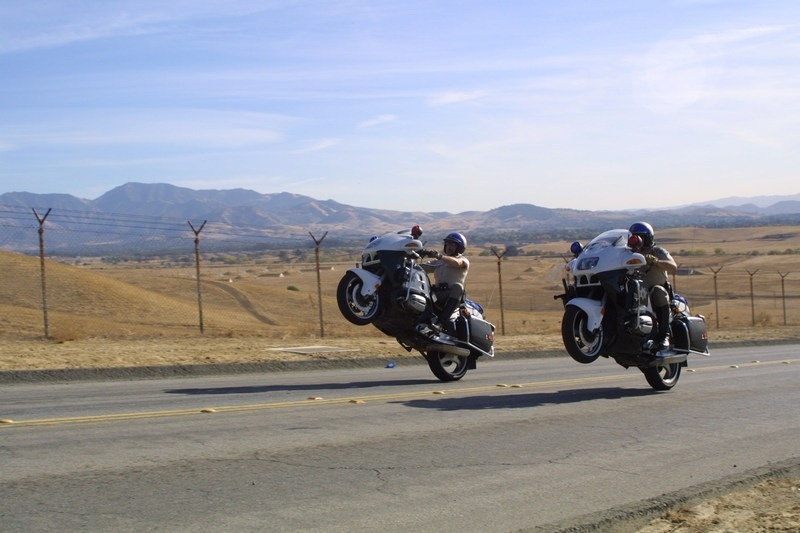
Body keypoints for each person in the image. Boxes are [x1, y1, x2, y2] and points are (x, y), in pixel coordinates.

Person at [629, 221, 678, 352]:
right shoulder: (628, 255)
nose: (637, 240)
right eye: (634, 237)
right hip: (637, 292)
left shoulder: (657, 251)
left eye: (641, 237)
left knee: (658, 292)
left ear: (648, 238)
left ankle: (664, 336)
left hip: (654, 291)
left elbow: (673, 266)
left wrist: (655, 261)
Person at [415, 232, 470, 335]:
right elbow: (421, 268)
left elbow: (457, 263)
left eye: (452, 244)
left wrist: (439, 256)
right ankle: (421, 323)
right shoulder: (439, 262)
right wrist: (413, 256)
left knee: (458, 287)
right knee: (423, 290)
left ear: (460, 248)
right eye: (448, 244)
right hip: (437, 295)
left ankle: (440, 324)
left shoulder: (463, 260)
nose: (449, 246)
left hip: (451, 296)